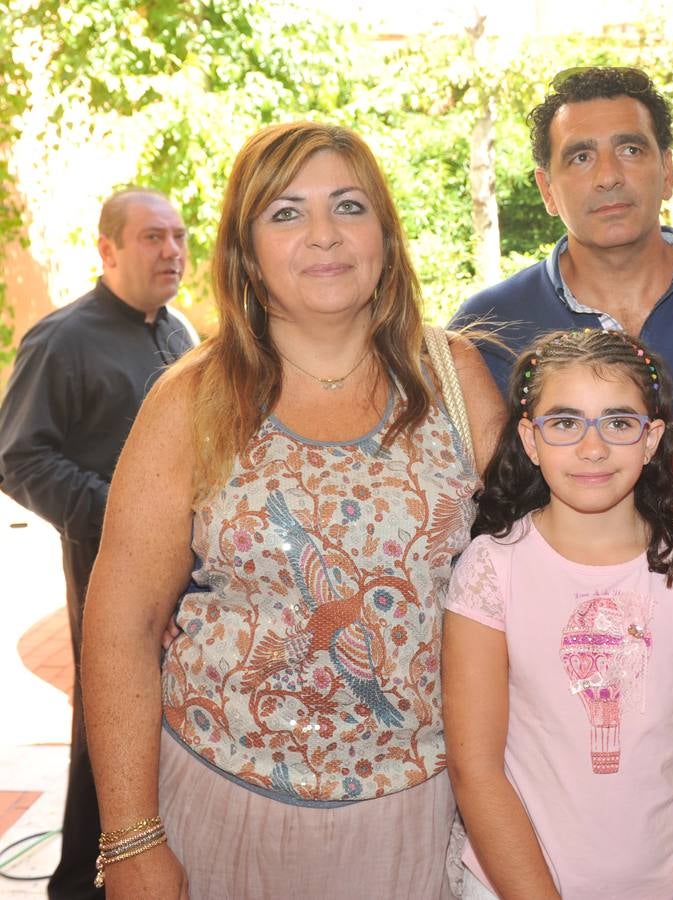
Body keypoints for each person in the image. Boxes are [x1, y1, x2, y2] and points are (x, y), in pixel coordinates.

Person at [80, 122, 503, 899]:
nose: (322, 236)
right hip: (218, 799)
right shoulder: (193, 398)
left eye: (348, 206)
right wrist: (131, 839)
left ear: (384, 230)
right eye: (285, 213)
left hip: (423, 810)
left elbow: (536, 578)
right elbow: (121, 621)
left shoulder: (455, 378)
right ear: (247, 251)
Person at [443, 329, 673, 899]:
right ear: (530, 440)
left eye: (618, 422)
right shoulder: (493, 568)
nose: (593, 448)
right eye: (565, 423)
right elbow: (475, 769)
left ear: (652, 438)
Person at [0, 187, 192, 899]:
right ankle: (80, 882)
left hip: (186, 567)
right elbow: (19, 458)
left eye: (176, 236)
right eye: (151, 237)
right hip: (107, 558)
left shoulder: (177, 331)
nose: (171, 251)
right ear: (108, 250)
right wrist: (125, 519)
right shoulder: (61, 339)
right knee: (108, 725)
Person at [448, 66, 673, 420]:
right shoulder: (487, 330)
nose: (608, 177)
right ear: (547, 190)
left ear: (667, 172)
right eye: (581, 157)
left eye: (630, 150)